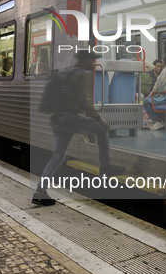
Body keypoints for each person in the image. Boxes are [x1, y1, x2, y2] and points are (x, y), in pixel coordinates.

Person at [32, 51, 125, 206]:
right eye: (91, 61)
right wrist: (99, 118)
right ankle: (106, 166)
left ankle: (40, 191)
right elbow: (85, 101)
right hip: (69, 118)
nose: (94, 64)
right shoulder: (82, 74)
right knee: (101, 129)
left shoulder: (68, 73)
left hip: (57, 119)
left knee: (58, 155)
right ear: (83, 61)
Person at [143, 53, 166, 131]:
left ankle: (157, 120)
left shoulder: (165, 71)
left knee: (145, 101)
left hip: (165, 97)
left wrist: (150, 95)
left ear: (164, 63)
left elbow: (157, 87)